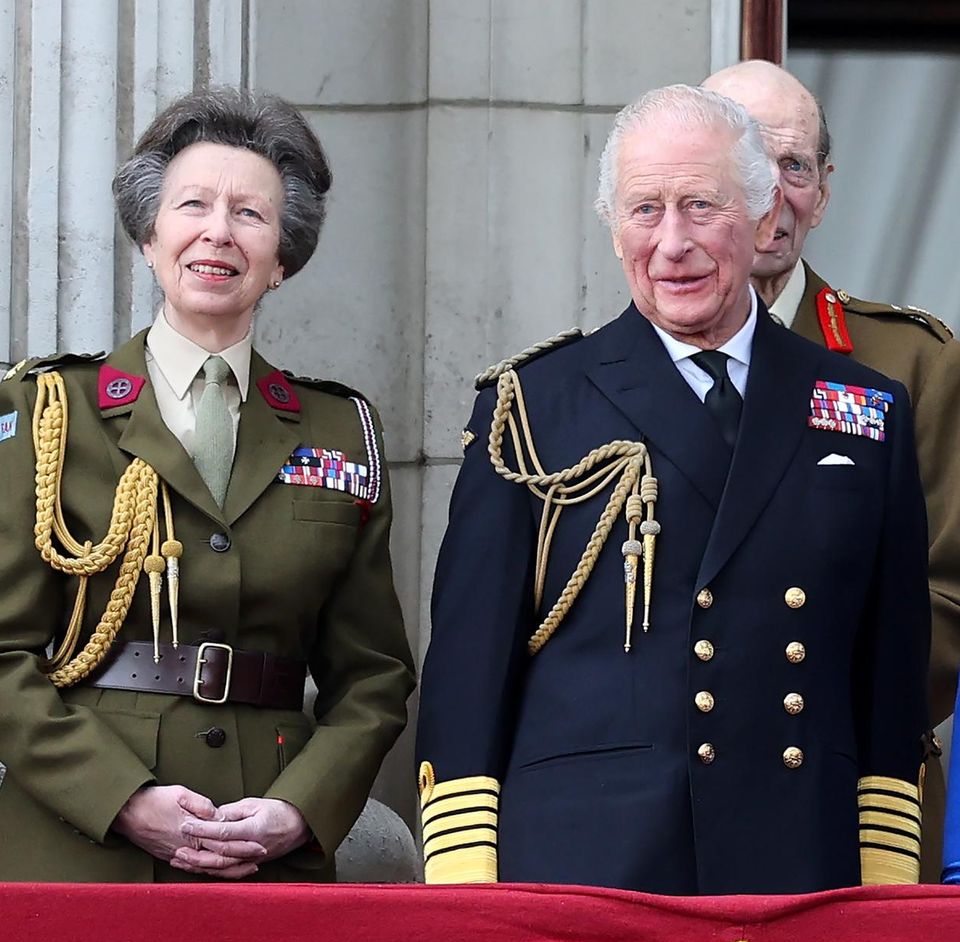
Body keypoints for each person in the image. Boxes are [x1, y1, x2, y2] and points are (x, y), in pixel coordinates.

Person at [416, 84, 929, 895]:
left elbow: (890, 670)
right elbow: (468, 668)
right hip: (587, 863)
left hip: (798, 858)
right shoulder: (529, 407)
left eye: (701, 206)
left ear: (763, 219)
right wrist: (466, 882)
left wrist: (886, 878)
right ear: (614, 229)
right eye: (644, 210)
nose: (673, 242)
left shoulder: (867, 408)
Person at [0, 89, 414, 882]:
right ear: (151, 233)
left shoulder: (340, 429)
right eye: (194, 204)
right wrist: (120, 796)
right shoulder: (49, 411)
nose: (217, 232)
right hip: (77, 843)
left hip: (266, 849)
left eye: (250, 214)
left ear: (282, 260)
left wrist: (303, 807)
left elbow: (375, 674)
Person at [703, 59, 960, 882]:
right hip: (672, 793)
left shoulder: (908, 361)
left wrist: (816, 712)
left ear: (826, 187)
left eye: (796, 167)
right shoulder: (603, 372)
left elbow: (948, 593)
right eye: (749, 164)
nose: (775, 194)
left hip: (858, 786)